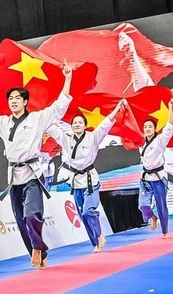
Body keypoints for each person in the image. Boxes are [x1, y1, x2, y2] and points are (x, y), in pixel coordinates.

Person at [0, 63, 73, 270]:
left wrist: (68, 78)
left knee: (32, 214)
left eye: (18, 98)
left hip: (33, 175)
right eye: (10, 99)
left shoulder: (37, 119)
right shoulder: (3, 122)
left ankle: (38, 247)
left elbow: (59, 107)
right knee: (20, 220)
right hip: (14, 177)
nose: (13, 101)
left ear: (25, 102)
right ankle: (39, 252)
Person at [46, 99, 125, 253]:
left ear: (85, 125)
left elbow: (106, 123)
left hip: (91, 180)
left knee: (88, 211)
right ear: (71, 126)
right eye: (74, 123)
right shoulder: (66, 139)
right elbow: (50, 127)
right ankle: (95, 242)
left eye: (80, 122)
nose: (76, 125)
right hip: (75, 183)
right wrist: (42, 113)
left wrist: (116, 108)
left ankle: (100, 234)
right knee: (83, 216)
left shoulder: (93, 137)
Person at [138, 99, 173, 239]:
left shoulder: (160, 140)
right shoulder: (141, 142)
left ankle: (165, 231)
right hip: (145, 178)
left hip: (159, 178)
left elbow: (169, 126)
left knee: (161, 205)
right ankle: (153, 218)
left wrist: (170, 108)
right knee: (143, 205)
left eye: (150, 127)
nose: (147, 129)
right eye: (145, 127)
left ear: (155, 128)